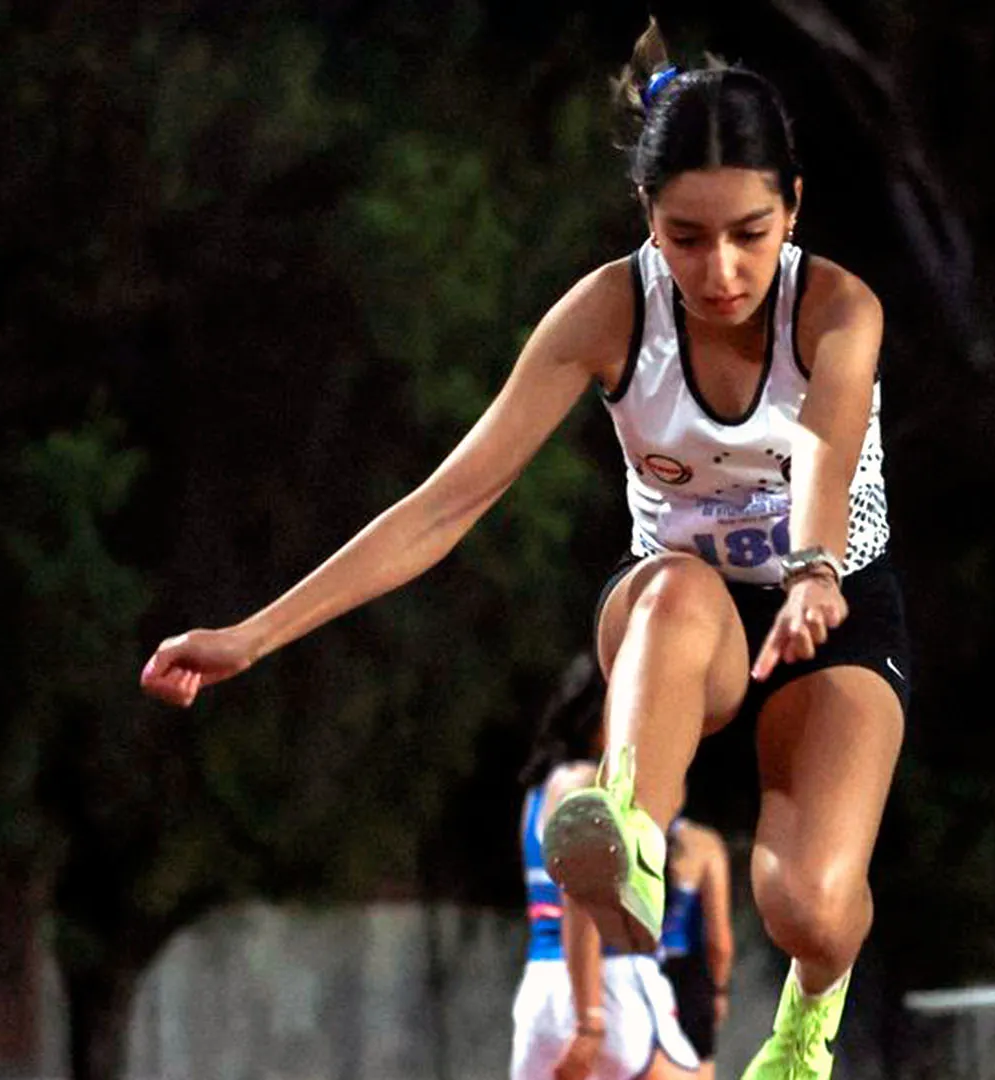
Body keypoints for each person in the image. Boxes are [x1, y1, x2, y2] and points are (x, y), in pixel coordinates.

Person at [139, 19, 913, 1078]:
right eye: (685, 238)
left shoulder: (837, 308)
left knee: (807, 906)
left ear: (794, 208)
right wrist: (253, 635)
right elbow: (446, 503)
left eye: (749, 232)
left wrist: (817, 570)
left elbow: (825, 445)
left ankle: (805, 1027)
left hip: (835, 599)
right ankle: (628, 838)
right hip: (675, 615)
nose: (721, 270)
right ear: (646, 215)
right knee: (678, 592)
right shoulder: (608, 312)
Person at [512, 654, 699, 1080]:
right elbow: (579, 900)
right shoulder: (592, 786)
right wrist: (590, 1021)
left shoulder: (539, 792)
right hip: (608, 984)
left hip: (540, 992)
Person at [661, 815, 735, 1080]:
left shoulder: (610, 836)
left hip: (628, 979)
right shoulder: (702, 843)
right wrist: (719, 990)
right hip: (685, 982)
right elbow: (719, 941)